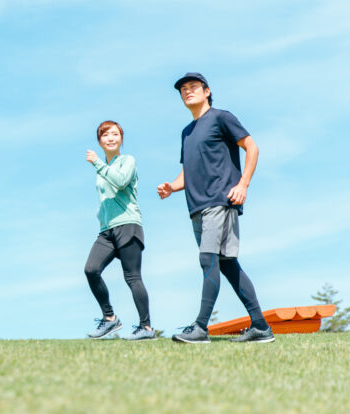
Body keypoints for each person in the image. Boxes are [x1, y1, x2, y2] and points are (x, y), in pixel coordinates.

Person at [157, 72, 274, 343]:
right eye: (183, 89)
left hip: (220, 201)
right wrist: (172, 187)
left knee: (207, 259)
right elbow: (189, 172)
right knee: (227, 264)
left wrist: (243, 185)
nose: (188, 91)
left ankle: (200, 328)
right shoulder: (187, 132)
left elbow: (252, 147)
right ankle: (260, 327)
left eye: (193, 87)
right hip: (197, 207)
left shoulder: (222, 118)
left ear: (207, 91)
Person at [84, 120, 154, 340]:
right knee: (91, 270)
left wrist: (97, 163)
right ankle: (110, 319)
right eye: (105, 135)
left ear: (121, 139)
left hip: (128, 224)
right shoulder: (102, 169)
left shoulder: (127, 161)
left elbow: (121, 182)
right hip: (107, 230)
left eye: (115, 134)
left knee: (132, 277)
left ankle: (146, 328)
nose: (111, 138)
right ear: (100, 141)